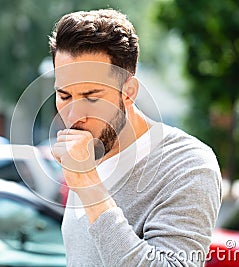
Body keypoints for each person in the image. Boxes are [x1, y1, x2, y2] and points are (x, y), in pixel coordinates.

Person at [49, 9, 222, 266]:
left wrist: (89, 185)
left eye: (92, 97)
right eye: (64, 96)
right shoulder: (89, 152)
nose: (74, 115)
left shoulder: (189, 165)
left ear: (128, 91)